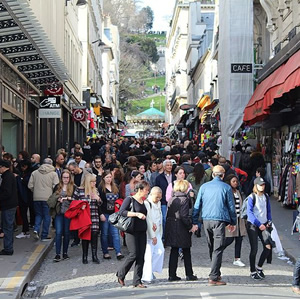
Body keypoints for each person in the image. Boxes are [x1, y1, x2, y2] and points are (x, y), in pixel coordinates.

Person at [192, 165, 237, 286]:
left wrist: (195, 220)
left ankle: (215, 271)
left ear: (212, 174)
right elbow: (231, 207)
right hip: (219, 219)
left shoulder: (204, 187)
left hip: (206, 219)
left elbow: (197, 205)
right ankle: (213, 276)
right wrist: (233, 222)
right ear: (222, 176)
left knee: (212, 247)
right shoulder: (226, 187)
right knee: (217, 248)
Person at [116, 181, 150, 288]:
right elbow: (122, 211)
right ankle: (121, 274)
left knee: (141, 256)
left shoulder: (144, 202)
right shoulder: (129, 199)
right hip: (131, 231)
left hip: (142, 231)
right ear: (140, 190)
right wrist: (136, 214)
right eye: (146, 190)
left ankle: (137, 281)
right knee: (133, 254)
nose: (147, 192)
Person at [165, 180, 198, 282]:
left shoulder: (171, 199)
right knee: (186, 251)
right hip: (181, 228)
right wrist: (190, 227)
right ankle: (189, 274)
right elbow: (184, 216)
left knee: (174, 251)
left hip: (172, 227)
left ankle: (172, 274)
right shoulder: (184, 199)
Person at [246, 177, 272, 280]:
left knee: (268, 246)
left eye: (263, 184)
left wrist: (269, 221)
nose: (262, 186)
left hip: (264, 224)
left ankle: (259, 266)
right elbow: (250, 213)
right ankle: (252, 270)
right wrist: (258, 223)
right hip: (253, 225)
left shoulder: (266, 196)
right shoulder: (252, 197)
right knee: (254, 249)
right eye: (260, 185)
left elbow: (268, 210)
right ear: (256, 186)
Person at [28, 158, 59, 241]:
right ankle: (44, 234)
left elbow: (30, 185)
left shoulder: (34, 173)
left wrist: (35, 191)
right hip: (48, 198)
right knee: (47, 216)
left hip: (36, 197)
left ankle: (36, 229)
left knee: (38, 215)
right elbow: (56, 186)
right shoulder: (53, 174)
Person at [73, 173, 102, 264]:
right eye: (92, 182)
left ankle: (94, 256)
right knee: (85, 235)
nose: (94, 183)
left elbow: (100, 204)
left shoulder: (96, 191)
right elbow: (74, 203)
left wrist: (98, 199)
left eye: (94, 181)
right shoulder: (79, 190)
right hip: (84, 216)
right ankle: (84, 256)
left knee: (94, 234)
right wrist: (80, 207)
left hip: (94, 215)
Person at [48, 169, 75, 262]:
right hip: (59, 212)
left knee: (67, 233)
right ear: (61, 178)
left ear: (70, 178)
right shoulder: (57, 187)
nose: (66, 179)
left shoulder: (73, 187)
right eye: (64, 177)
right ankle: (57, 254)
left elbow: (76, 199)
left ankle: (65, 253)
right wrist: (58, 199)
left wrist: (69, 198)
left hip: (68, 213)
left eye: (67, 177)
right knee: (59, 232)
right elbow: (52, 198)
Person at [98, 170, 124, 260]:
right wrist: (100, 214)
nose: (109, 179)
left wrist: (118, 204)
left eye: (110, 177)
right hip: (105, 213)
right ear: (103, 178)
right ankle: (105, 252)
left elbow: (120, 198)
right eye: (107, 177)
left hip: (114, 213)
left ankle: (118, 252)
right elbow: (99, 203)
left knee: (115, 234)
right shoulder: (101, 188)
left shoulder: (115, 187)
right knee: (104, 233)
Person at [142, 187, 165, 283]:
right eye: (157, 197)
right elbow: (148, 220)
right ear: (151, 195)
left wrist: (159, 233)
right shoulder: (147, 203)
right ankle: (146, 276)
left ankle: (150, 271)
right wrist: (152, 236)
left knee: (160, 251)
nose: (158, 199)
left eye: (160, 197)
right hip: (149, 233)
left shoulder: (158, 203)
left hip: (157, 232)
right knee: (148, 255)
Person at [224, 174, 247, 267]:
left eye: (236, 181)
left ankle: (237, 258)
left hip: (239, 218)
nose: (235, 183)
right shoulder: (227, 191)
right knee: (229, 239)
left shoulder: (238, 191)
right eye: (233, 181)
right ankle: (217, 251)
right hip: (231, 219)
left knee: (239, 239)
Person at [0, 159, 18, 255]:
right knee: (8, 226)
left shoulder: (7, 177)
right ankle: (8, 247)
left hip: (8, 205)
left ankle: (8, 248)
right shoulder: (9, 176)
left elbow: (7, 193)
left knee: (7, 227)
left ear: (3, 167)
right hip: (10, 204)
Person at [187, 163, 209, 237]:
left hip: (192, 195)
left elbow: (187, 184)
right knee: (200, 212)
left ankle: (193, 224)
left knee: (193, 210)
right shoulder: (205, 176)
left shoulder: (190, 176)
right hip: (202, 195)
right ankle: (198, 226)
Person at [155, 160, 176, 237]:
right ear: (164, 167)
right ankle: (164, 236)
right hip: (163, 201)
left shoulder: (175, 176)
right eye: (167, 165)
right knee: (164, 219)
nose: (169, 167)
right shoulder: (159, 178)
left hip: (174, 200)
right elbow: (157, 189)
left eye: (170, 165)